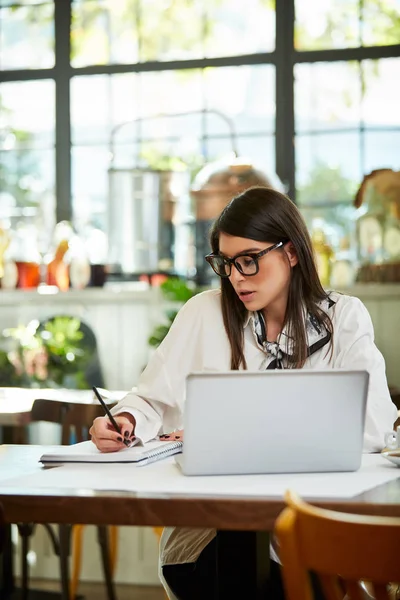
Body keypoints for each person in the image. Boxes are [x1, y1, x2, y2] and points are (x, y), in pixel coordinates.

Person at [90, 186, 397, 600]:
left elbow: (374, 426)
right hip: (211, 542)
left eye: (249, 261)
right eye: (226, 263)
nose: (236, 277)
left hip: (314, 532)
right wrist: (125, 420)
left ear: (290, 252)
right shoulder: (204, 312)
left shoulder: (343, 318)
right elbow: (149, 400)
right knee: (241, 562)